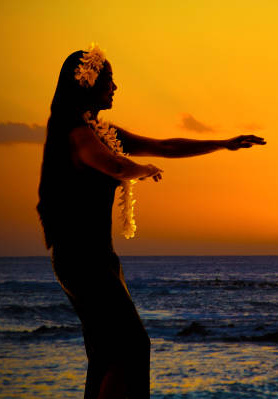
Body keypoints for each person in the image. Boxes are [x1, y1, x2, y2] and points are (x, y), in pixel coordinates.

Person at [36, 45, 265, 399]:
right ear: (88, 82)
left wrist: (222, 143)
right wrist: (139, 169)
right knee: (131, 347)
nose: (115, 87)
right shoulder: (78, 134)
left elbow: (165, 145)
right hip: (81, 260)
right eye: (109, 80)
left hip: (99, 258)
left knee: (106, 354)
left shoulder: (101, 131)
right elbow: (111, 165)